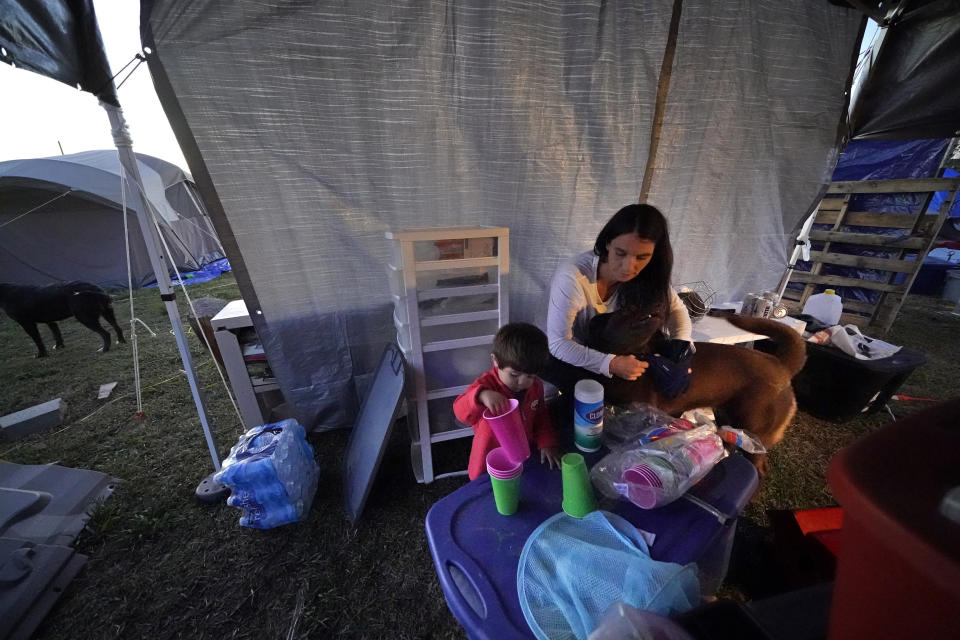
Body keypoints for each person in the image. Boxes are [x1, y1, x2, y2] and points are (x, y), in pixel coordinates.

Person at [544, 203, 694, 396]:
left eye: (642, 257)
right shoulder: (573, 276)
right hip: (564, 354)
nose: (628, 267)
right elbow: (558, 344)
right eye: (620, 253)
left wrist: (681, 343)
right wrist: (611, 363)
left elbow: (676, 309)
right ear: (607, 243)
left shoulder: (649, 275)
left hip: (610, 346)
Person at [453, 322, 563, 480]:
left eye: (530, 376)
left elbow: (541, 416)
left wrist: (547, 442)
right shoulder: (485, 386)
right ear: (495, 361)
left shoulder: (535, 386)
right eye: (514, 374)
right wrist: (481, 396)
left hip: (525, 453)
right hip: (488, 462)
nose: (523, 382)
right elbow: (460, 412)